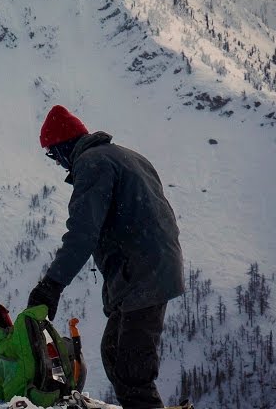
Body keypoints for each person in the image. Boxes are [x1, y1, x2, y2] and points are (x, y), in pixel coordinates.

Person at [27, 105, 185, 409]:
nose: (57, 163)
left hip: (143, 274)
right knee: (114, 350)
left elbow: (82, 234)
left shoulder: (92, 164)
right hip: (152, 267)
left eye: (52, 154)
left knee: (132, 370)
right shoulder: (128, 156)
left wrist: (51, 286)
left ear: (62, 147)